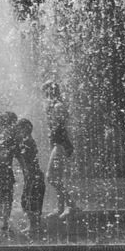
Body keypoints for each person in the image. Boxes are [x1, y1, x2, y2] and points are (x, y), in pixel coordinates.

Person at [43, 81, 80, 218]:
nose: (45, 95)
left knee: (51, 177)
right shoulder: (53, 106)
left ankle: (72, 205)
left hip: (61, 145)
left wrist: (63, 147)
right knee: (57, 177)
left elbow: (61, 128)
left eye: (47, 92)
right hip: (57, 144)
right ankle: (60, 208)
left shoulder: (58, 106)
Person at [13, 118, 46, 238]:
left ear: (25, 129)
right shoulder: (27, 141)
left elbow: (22, 155)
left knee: (27, 203)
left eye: (19, 128)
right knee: (32, 202)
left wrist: (15, 149)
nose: (17, 131)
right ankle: (36, 226)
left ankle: (33, 227)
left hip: (34, 177)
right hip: (35, 177)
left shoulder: (27, 142)